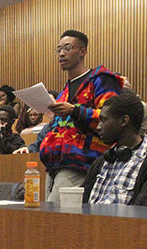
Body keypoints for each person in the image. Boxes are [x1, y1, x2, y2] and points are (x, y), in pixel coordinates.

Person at [39, 29, 123, 202]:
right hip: (56, 163)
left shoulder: (100, 80)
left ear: (82, 51)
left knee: (58, 217)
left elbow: (112, 118)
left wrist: (75, 111)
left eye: (67, 48)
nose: (61, 54)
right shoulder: (65, 91)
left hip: (82, 163)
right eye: (59, 49)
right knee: (48, 216)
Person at [82, 91, 147, 207]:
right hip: (91, 223)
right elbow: (82, 204)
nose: (98, 127)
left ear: (124, 121)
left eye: (103, 120)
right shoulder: (102, 161)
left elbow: (146, 215)